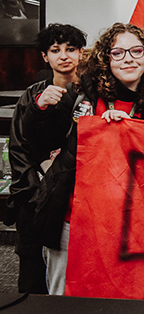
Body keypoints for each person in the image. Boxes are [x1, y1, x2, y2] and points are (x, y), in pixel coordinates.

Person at [20, 23, 144, 294]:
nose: (128, 58)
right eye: (118, 52)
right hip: (74, 218)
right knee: (63, 300)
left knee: (121, 300)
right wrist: (38, 108)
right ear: (106, 59)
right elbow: (38, 139)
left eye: (136, 51)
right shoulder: (82, 94)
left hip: (130, 226)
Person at [6, 23, 86, 294]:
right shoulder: (31, 95)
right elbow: (18, 148)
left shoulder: (91, 93)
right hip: (35, 196)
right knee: (31, 277)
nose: (63, 56)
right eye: (55, 50)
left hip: (74, 198)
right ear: (44, 56)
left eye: (70, 49)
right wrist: (37, 188)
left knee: (72, 275)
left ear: (81, 53)